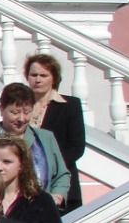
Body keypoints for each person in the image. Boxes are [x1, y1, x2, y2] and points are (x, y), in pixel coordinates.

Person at [25, 52, 86, 211]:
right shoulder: (20, 106)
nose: (38, 79)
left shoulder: (70, 105)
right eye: (34, 75)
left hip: (61, 185)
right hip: (25, 186)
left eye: (43, 75)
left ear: (54, 78)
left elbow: (76, 147)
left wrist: (47, 165)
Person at [0, 82, 69, 206]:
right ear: (2, 110)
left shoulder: (45, 138)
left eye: (27, 112)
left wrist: (57, 196)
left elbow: (61, 175)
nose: (21, 119)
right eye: (15, 112)